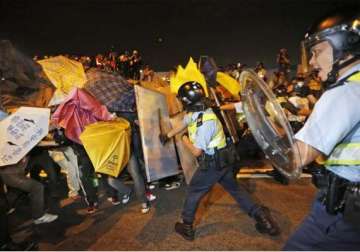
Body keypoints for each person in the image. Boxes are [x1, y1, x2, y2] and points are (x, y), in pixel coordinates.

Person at [160, 81, 280, 241]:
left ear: (186, 101)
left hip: (213, 163)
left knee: (194, 191)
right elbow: (185, 122)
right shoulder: (200, 111)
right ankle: (262, 217)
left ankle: (186, 225)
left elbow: (196, 151)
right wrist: (167, 135)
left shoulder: (206, 122)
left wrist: (183, 139)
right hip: (224, 160)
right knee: (234, 189)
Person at [283, 7, 360, 250]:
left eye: (317, 52)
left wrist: (269, 131)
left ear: (345, 45)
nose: (312, 63)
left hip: (341, 212)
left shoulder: (344, 92)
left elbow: (298, 157)